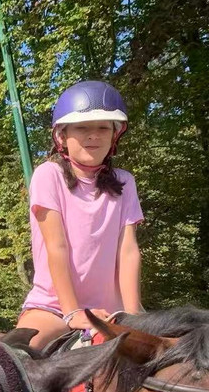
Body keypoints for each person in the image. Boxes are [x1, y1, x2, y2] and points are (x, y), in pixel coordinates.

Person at [15, 80, 144, 350]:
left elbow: (128, 250)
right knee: (19, 357)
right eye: (82, 128)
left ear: (114, 135)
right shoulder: (48, 176)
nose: (93, 136)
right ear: (62, 136)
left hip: (111, 312)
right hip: (54, 308)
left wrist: (133, 315)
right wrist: (73, 313)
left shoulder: (125, 182)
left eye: (102, 128)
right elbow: (57, 247)